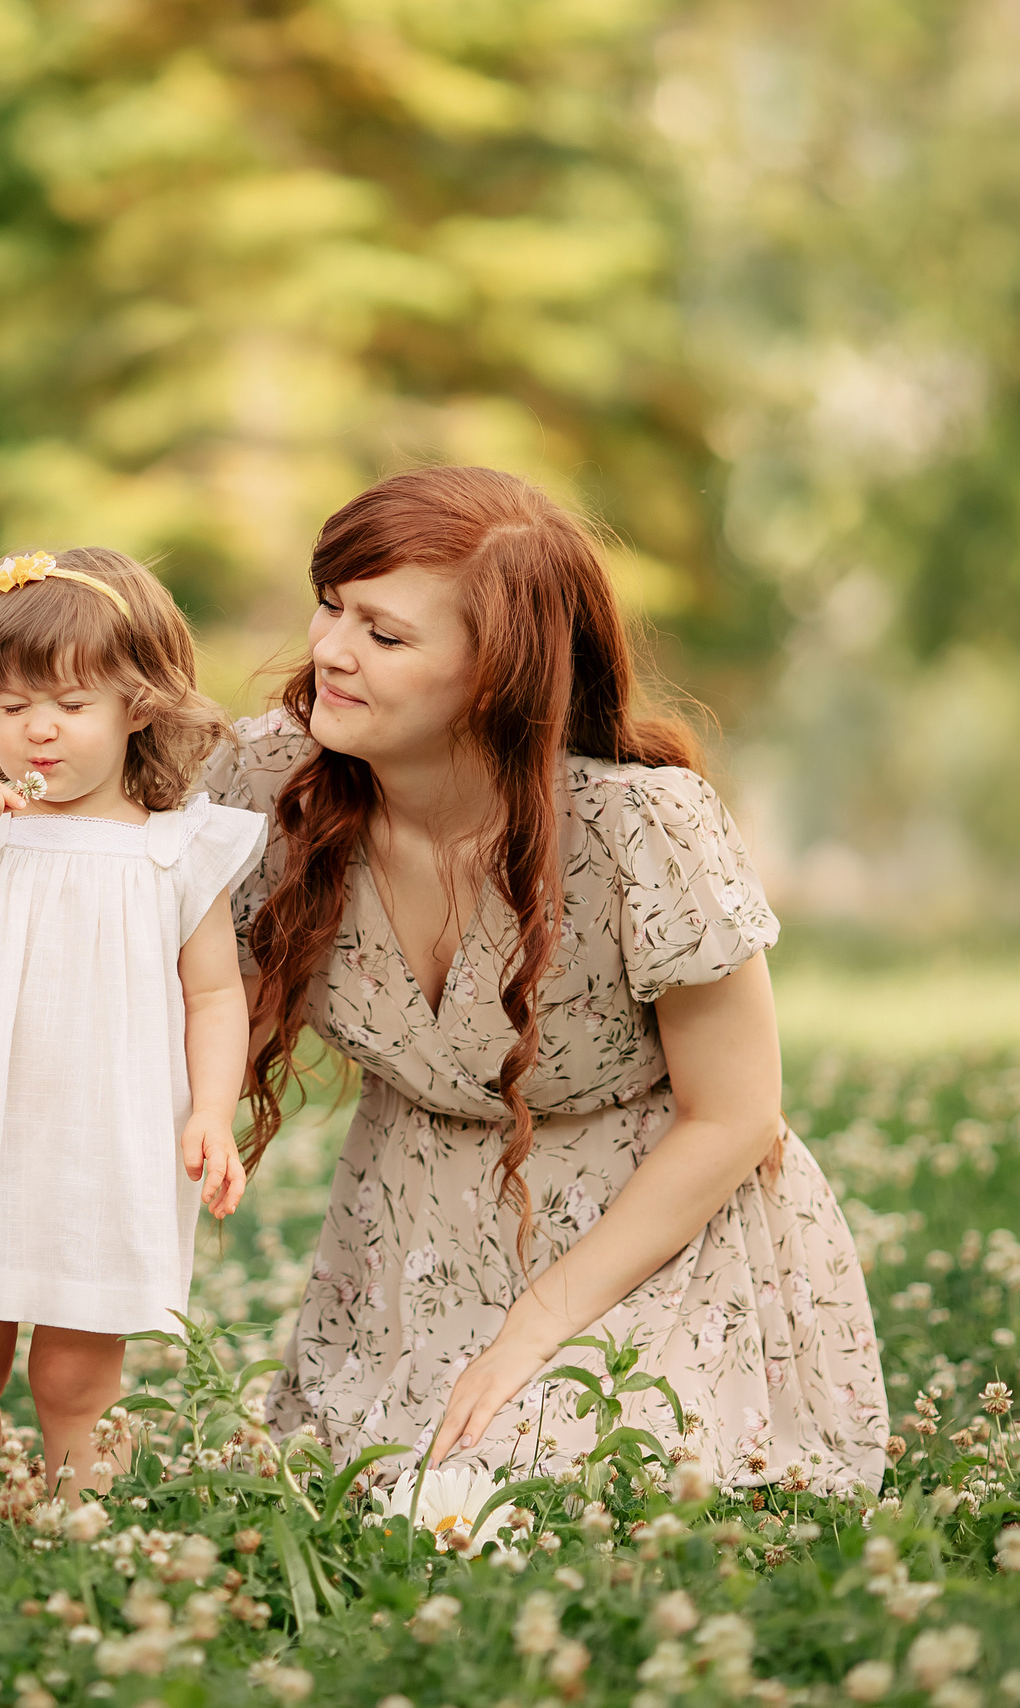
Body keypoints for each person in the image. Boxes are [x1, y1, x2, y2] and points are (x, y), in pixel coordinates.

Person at [203, 468, 889, 1491]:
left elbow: (735, 1115)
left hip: (650, 1249)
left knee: (505, 1506)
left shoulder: (639, 827)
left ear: (495, 674)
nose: (329, 651)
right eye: (331, 606)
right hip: (409, 1248)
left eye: (384, 635)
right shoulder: (271, 785)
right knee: (371, 1505)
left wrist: (540, 1326)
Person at [0, 547, 267, 1497]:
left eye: (72, 706)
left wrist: (213, 1108)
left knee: (79, 1379)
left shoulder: (174, 850)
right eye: (11, 707)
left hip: (106, 1150)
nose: (38, 731)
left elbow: (212, 995)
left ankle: (80, 1544)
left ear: (140, 706)